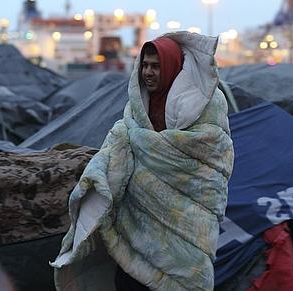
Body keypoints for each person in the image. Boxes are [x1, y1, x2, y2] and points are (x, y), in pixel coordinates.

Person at [51, 32, 234, 291]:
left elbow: (213, 151)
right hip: (137, 223)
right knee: (129, 281)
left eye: (156, 66)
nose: (148, 72)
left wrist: (155, 149)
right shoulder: (136, 109)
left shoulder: (206, 103)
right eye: (145, 65)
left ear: (172, 66)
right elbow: (118, 147)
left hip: (185, 222)